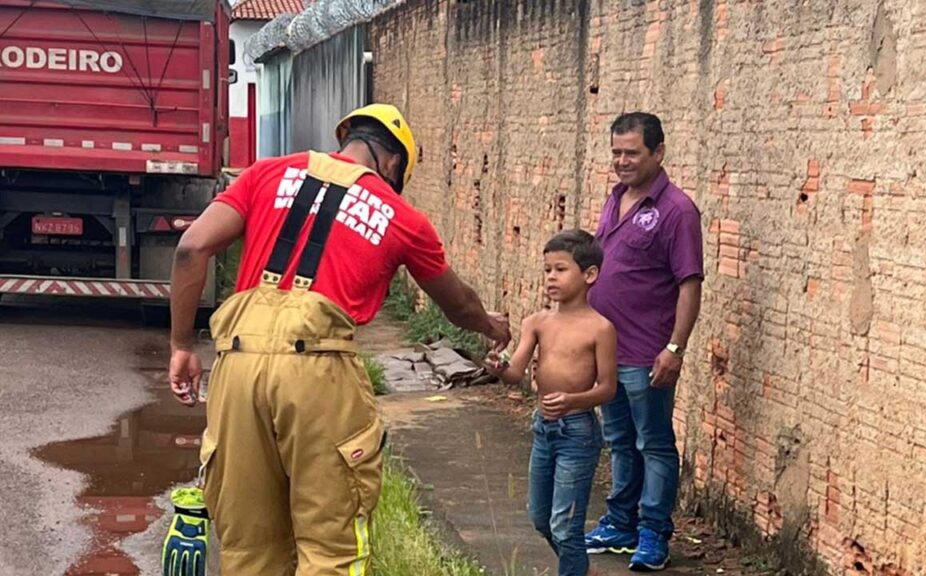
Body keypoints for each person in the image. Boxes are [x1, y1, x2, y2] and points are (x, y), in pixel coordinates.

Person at [167, 103, 511, 576]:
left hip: (238, 365)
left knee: (249, 549)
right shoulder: (402, 217)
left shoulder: (265, 174)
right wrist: (492, 327)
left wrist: (182, 346)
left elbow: (191, 248)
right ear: (393, 162)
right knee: (331, 550)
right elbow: (458, 306)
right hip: (319, 374)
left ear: (349, 138)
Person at [584, 112, 703, 572]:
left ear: (658, 152)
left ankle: (653, 532)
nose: (622, 161)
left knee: (653, 443)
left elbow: (689, 284)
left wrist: (675, 348)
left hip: (648, 354)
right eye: (616, 152)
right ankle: (620, 522)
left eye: (632, 152)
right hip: (609, 351)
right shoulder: (615, 200)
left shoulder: (676, 211)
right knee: (619, 438)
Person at [487, 229, 617, 576]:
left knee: (565, 526)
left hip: (578, 432)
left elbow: (607, 389)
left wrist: (574, 399)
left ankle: (573, 569)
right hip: (543, 427)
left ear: (589, 275)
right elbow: (516, 372)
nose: (551, 278)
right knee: (540, 518)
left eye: (561, 269)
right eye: (547, 270)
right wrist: (499, 367)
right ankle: (582, 569)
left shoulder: (600, 329)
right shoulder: (538, 322)